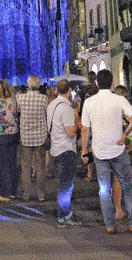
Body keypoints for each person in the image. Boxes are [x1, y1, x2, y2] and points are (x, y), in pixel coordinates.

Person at [81, 69, 132, 234]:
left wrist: (84, 149)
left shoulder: (89, 102)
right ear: (112, 82)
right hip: (118, 149)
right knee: (127, 186)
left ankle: (109, 224)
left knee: (104, 188)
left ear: (97, 83)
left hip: (99, 151)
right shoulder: (119, 99)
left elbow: (85, 129)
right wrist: (125, 133)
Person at [47, 78, 81, 227]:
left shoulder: (52, 105)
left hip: (55, 148)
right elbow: (70, 132)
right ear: (69, 91)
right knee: (66, 185)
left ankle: (63, 213)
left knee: (63, 183)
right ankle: (64, 215)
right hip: (66, 149)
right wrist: (76, 117)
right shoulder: (66, 108)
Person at [16, 75, 48, 202]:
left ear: (28, 85)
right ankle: (41, 194)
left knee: (26, 166)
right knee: (40, 167)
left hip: (26, 137)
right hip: (40, 137)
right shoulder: (43, 99)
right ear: (39, 85)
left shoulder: (20, 98)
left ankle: (26, 194)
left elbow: (17, 112)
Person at [0, 79, 19, 201]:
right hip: (13, 133)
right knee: (12, 163)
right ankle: (12, 191)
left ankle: (4, 193)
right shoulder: (12, 101)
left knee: (3, 165)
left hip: (1, 135)